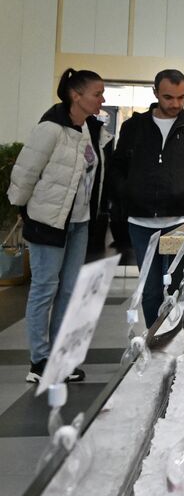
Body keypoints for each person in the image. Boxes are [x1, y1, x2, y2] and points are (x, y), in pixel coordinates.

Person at [7, 68, 110, 383]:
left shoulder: (91, 129)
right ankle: (39, 360)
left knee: (68, 291)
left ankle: (60, 358)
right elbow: (25, 173)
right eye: (97, 93)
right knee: (44, 289)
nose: (102, 99)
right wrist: (23, 210)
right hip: (47, 221)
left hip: (80, 222)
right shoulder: (51, 128)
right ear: (76, 95)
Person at [108, 69, 184, 327]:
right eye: (169, 97)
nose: (176, 104)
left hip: (182, 223)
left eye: (181, 97)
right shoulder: (133, 127)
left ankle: (176, 342)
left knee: (178, 292)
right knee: (149, 293)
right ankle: (154, 341)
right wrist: (128, 192)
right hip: (141, 223)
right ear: (156, 93)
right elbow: (116, 168)